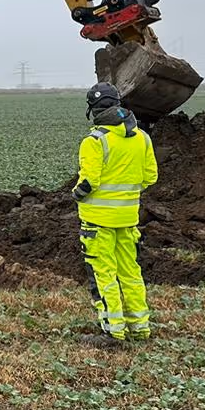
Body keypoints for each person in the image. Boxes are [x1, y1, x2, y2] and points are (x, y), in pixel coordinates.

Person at [74, 82, 159, 346]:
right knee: (131, 272)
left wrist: (77, 194)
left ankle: (112, 330)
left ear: (93, 109)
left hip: (98, 222)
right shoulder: (142, 138)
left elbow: (89, 182)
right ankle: (140, 326)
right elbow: (150, 177)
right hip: (128, 219)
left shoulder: (94, 141)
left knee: (103, 274)